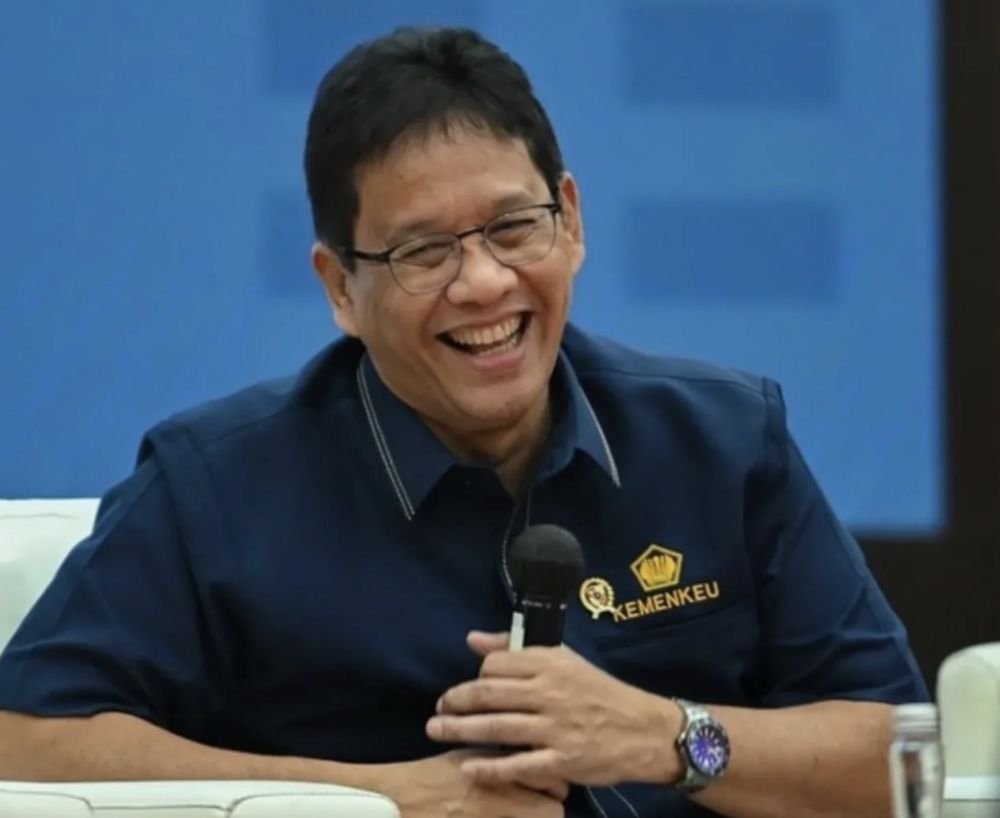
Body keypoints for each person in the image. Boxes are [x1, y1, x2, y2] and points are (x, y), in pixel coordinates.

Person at [0, 25, 927, 818]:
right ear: (340, 287)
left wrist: (667, 738)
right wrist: (386, 800)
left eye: (513, 227)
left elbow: (902, 760)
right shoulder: (214, 486)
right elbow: (24, 742)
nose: (483, 282)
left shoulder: (723, 440)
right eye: (424, 250)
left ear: (570, 221)